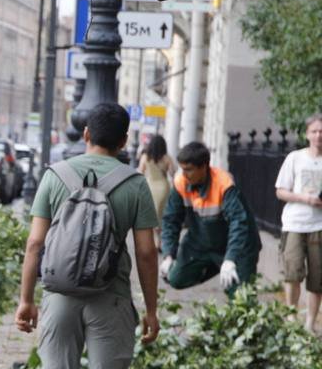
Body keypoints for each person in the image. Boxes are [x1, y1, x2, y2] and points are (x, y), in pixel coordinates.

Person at [15, 103, 160, 369]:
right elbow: (147, 253)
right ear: (125, 141)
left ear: (86, 135)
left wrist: (26, 299)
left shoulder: (55, 176)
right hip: (109, 300)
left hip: (59, 296)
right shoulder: (134, 183)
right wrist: (151, 309)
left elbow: (34, 244)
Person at [160, 141, 260, 295]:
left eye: (189, 170)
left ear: (203, 167)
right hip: (201, 242)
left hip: (239, 245)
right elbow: (170, 220)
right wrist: (168, 255)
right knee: (175, 278)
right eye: (182, 169)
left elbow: (239, 223)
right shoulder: (181, 183)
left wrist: (230, 259)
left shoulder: (223, 184)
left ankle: (225, 267)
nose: (184, 175)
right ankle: (215, 264)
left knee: (241, 297)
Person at [273, 113, 322, 332]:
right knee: (292, 272)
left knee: (318, 279)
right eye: (314, 131)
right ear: (307, 134)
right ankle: (291, 317)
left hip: (319, 225)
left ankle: (310, 323)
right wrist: (305, 198)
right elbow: (280, 191)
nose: (318, 135)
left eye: (321, 131)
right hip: (295, 223)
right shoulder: (295, 158)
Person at [137, 133, 175, 237]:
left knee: (151, 214)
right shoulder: (167, 158)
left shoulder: (145, 157)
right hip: (163, 187)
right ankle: (159, 242)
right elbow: (173, 173)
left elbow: (140, 173)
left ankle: (151, 240)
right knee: (161, 214)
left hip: (150, 187)